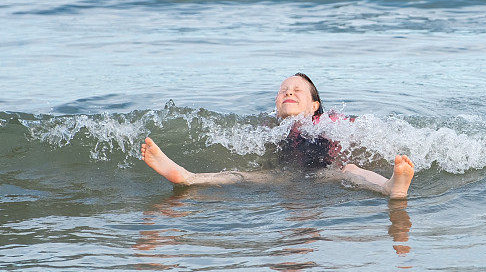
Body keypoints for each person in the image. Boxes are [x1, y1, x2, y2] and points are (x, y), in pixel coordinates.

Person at [140, 73, 414, 199]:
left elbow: (360, 134)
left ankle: (390, 187)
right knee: (241, 174)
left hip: (328, 173)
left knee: (352, 170)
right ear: (276, 103)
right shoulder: (269, 126)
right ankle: (188, 178)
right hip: (283, 177)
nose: (289, 93)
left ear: (314, 105)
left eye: (297, 90)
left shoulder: (328, 122)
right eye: (284, 91)